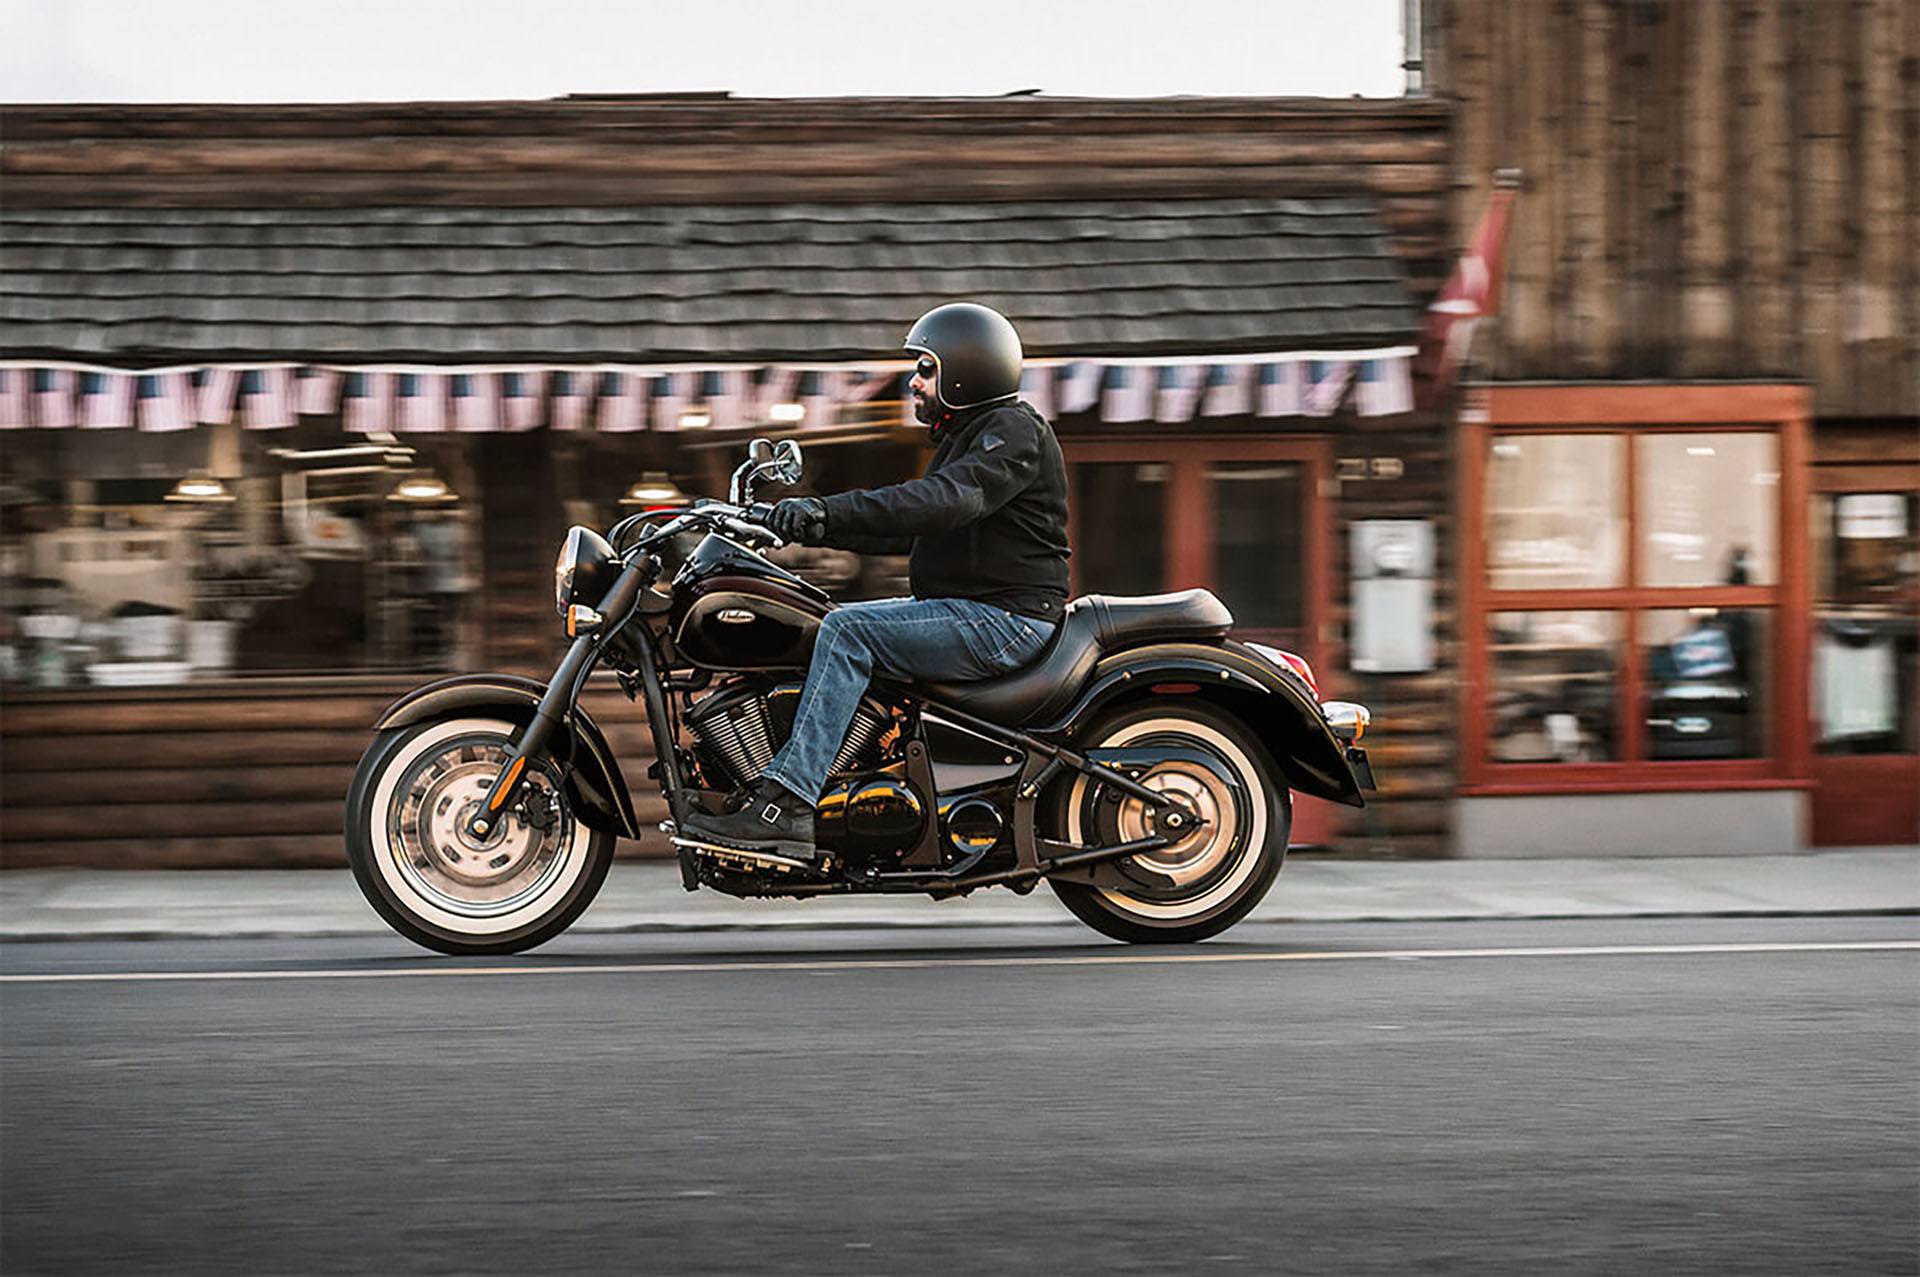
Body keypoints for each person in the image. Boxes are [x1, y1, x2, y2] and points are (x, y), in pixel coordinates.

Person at [680, 302, 1070, 867]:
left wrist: (823, 512)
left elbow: (944, 503)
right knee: (828, 615)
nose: (914, 380)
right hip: (972, 610)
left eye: (926, 368)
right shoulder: (968, 439)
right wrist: (796, 529)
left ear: (967, 371)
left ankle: (785, 806)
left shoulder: (1010, 430)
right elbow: (915, 535)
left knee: (846, 632)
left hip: (1005, 621)